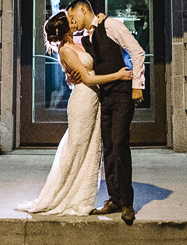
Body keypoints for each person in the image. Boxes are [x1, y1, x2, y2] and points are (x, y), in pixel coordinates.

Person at [15, 12, 133, 216]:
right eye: (70, 21)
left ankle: (82, 193)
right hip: (83, 101)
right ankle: (64, 194)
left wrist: (101, 18)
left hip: (94, 100)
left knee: (89, 150)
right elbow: (87, 80)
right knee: (77, 148)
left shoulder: (77, 40)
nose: (74, 22)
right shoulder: (66, 50)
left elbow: (94, 40)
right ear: (65, 30)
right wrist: (118, 75)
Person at [68, 0, 146, 224]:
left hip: (122, 92)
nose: (73, 22)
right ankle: (114, 198)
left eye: (73, 17)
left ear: (84, 10)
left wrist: (136, 86)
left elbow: (137, 51)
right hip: (105, 95)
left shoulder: (110, 25)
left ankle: (127, 203)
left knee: (120, 143)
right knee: (108, 146)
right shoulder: (87, 37)